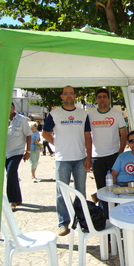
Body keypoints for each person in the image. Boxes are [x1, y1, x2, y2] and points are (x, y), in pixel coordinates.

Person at [42, 85, 92, 236]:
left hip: (80, 159)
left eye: (71, 93)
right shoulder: (54, 113)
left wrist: (89, 156)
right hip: (62, 159)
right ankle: (63, 223)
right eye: (66, 93)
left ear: (74, 96)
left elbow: (87, 136)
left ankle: (81, 221)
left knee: (80, 192)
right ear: (62, 96)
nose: (69, 96)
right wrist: (56, 144)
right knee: (61, 192)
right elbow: (45, 133)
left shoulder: (83, 114)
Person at [88, 88, 127, 204]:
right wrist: (88, 156)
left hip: (113, 155)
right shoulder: (90, 115)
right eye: (99, 97)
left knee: (115, 186)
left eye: (104, 96)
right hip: (97, 157)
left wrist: (120, 152)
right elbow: (87, 136)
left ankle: (116, 212)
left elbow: (124, 134)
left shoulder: (117, 114)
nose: (102, 99)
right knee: (101, 189)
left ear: (109, 99)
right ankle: (104, 215)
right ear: (96, 99)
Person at [6, 102, 32, 211]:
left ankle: (12, 201)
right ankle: (17, 198)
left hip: (16, 152)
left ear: (13, 107)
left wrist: (28, 151)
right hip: (4, 152)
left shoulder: (21, 120)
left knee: (11, 172)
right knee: (12, 175)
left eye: (10, 107)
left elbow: (28, 135)